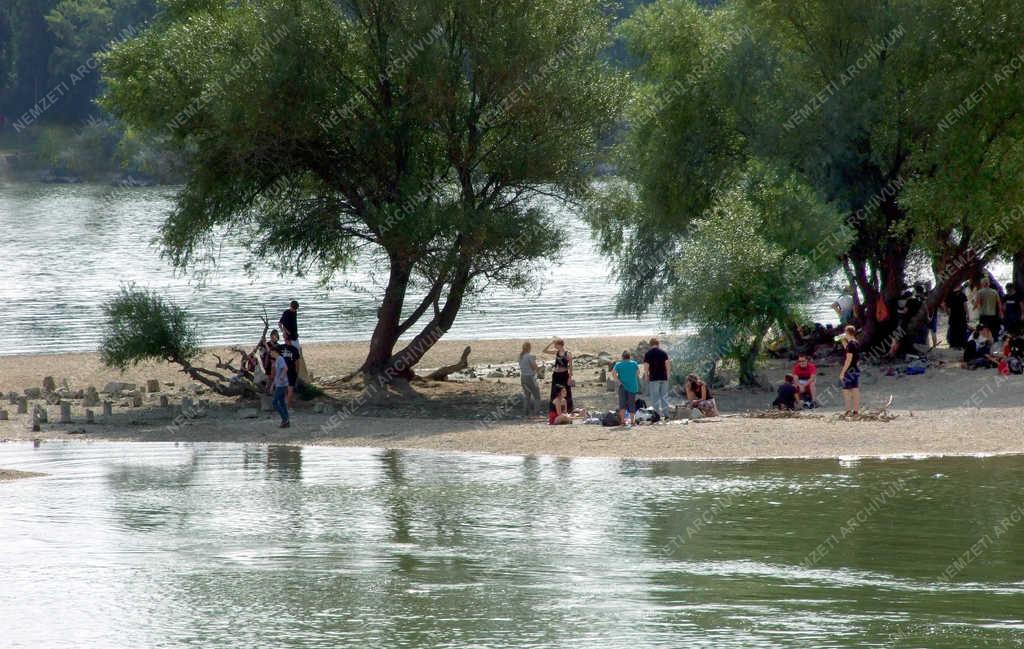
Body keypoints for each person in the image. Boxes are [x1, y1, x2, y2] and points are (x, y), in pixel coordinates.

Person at [643, 337, 671, 421]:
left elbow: (646, 367)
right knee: (664, 397)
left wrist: (646, 375)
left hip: (654, 378)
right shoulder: (663, 353)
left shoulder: (648, 354)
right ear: (658, 344)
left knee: (655, 397)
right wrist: (668, 375)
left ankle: (657, 415)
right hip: (663, 377)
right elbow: (668, 365)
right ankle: (666, 415)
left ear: (650, 344)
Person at [543, 338, 574, 413]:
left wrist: (570, 377)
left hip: (564, 374)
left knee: (566, 391)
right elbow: (544, 350)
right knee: (555, 391)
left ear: (560, 345)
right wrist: (551, 342)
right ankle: (554, 409)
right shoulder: (556, 352)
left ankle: (568, 409)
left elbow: (570, 366)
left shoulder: (568, 353)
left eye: (556, 344)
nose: (555, 346)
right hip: (556, 375)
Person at [612, 350, 641, 426]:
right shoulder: (634, 363)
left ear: (622, 357)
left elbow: (613, 373)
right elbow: (638, 373)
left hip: (622, 386)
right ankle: (632, 421)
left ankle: (622, 421)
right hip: (632, 387)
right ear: (629, 357)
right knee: (632, 404)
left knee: (622, 404)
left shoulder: (618, 364)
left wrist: (618, 381)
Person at [839, 325, 861, 417]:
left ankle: (848, 410)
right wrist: (842, 340)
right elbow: (847, 349)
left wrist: (842, 372)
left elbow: (849, 358)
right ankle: (856, 410)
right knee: (855, 389)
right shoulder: (855, 342)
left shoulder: (851, 344)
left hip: (849, 370)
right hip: (856, 368)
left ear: (847, 332)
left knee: (846, 391)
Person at [267, 345, 290, 428]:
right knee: (282, 403)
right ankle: (287, 420)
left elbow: (285, 368)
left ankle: (285, 419)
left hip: (282, 384)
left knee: (274, 402)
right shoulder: (277, 360)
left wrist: (282, 377)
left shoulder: (280, 358)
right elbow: (277, 374)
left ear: (275, 352)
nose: (270, 353)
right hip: (279, 384)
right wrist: (273, 384)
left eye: (271, 352)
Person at [519, 342, 542, 416]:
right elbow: (534, 367)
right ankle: (536, 413)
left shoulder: (520, 356)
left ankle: (525, 412)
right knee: (537, 396)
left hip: (523, 377)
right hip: (530, 377)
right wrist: (540, 369)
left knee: (527, 395)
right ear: (529, 348)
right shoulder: (529, 356)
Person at [945, 284, 969, 349]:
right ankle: (961, 345)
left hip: (954, 317)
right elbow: (965, 306)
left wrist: (949, 315)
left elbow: (947, 307)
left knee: (954, 331)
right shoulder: (962, 295)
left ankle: (954, 345)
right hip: (961, 317)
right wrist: (967, 314)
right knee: (962, 331)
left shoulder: (949, 295)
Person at [279, 338, 301, 406]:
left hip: (282, 370)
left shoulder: (280, 347)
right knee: (290, 388)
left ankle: (284, 402)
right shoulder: (294, 349)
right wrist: (297, 372)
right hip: (291, 370)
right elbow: (297, 363)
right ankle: (288, 405)